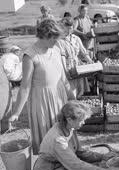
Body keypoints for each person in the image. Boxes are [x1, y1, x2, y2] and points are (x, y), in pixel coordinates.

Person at [8, 19, 74, 155]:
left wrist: (73, 99)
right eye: (54, 38)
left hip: (60, 98)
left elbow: (63, 77)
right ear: (45, 35)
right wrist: (16, 113)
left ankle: (66, 167)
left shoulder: (56, 49)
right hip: (42, 102)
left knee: (64, 139)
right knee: (48, 142)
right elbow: (25, 87)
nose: (57, 41)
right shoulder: (30, 56)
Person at [57, 17, 94, 98]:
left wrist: (90, 62)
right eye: (67, 28)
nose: (69, 30)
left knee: (79, 91)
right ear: (63, 28)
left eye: (71, 28)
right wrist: (66, 72)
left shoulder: (76, 38)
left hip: (77, 67)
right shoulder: (59, 41)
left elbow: (84, 52)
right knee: (70, 92)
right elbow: (62, 58)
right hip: (66, 67)